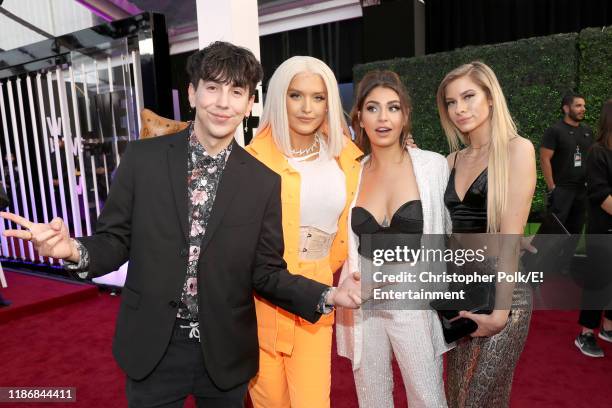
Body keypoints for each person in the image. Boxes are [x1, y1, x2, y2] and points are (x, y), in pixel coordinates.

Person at [0, 42, 362, 408]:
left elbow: (266, 272)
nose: (223, 103)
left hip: (225, 351)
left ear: (250, 102)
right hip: (154, 346)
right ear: (192, 92)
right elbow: (114, 241)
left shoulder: (262, 180)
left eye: (236, 92)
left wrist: (328, 295)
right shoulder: (143, 160)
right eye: (213, 87)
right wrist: (73, 250)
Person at [245, 56, 362, 408]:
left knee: (312, 401)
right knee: (270, 402)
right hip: (258, 296)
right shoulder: (250, 158)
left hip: (318, 289)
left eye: (319, 97)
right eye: (296, 95)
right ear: (279, 98)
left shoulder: (346, 157)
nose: (307, 107)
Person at [335, 70, 452, 407]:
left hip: (414, 303)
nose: (383, 117)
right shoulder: (351, 171)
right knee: (371, 398)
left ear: (405, 115)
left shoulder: (432, 166)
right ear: (359, 115)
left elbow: (449, 228)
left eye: (393, 107)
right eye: (372, 108)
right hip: (363, 301)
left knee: (428, 398)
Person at [437, 61, 536, 407]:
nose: (460, 109)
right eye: (451, 102)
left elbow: (509, 238)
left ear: (491, 98)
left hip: (504, 298)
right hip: (462, 295)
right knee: (460, 397)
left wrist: (499, 314)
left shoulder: (516, 150)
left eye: (468, 96)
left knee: (474, 399)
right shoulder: (449, 161)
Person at [575, 99, 612, 357]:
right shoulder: (597, 152)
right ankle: (586, 333)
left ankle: (608, 327)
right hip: (603, 230)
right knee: (598, 282)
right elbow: (601, 195)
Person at [540, 93, 594, 269]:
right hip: (561, 189)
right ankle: (540, 265)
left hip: (581, 191)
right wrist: (552, 187)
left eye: (583, 106)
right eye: (578, 105)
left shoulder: (587, 131)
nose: (583, 109)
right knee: (554, 232)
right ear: (566, 108)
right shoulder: (555, 131)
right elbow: (544, 159)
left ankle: (564, 266)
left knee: (576, 231)